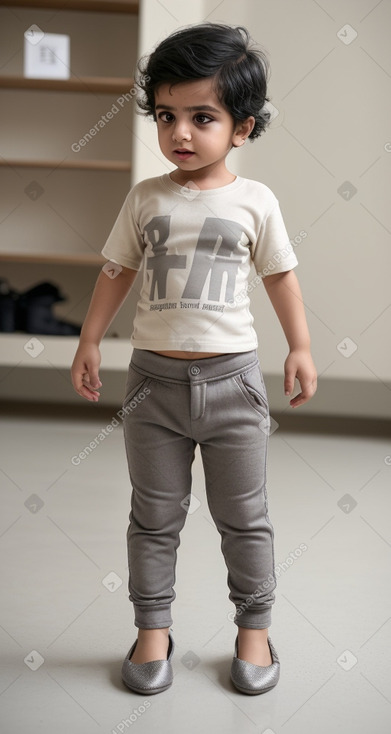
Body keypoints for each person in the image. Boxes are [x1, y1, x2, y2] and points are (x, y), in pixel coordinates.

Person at [71, 22, 317, 697]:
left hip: (232, 383)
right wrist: (91, 338)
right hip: (152, 385)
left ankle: (253, 628)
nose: (180, 132)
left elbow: (279, 278)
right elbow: (116, 270)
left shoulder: (254, 202)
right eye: (166, 116)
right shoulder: (146, 198)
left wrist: (298, 346)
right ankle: (153, 627)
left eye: (200, 117)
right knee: (153, 513)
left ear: (241, 127)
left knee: (244, 515)